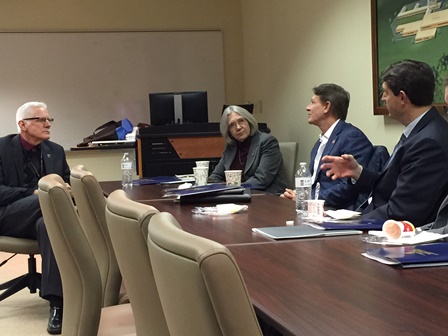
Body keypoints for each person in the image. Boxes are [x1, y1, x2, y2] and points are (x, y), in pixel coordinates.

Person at [320, 60, 448, 227]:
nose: (383, 98)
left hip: (395, 236)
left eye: (386, 93)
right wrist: (358, 172)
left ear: (402, 97)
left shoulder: (429, 142)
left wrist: (344, 225)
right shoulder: (419, 131)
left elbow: (402, 212)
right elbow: (396, 186)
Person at [0, 102, 69, 334]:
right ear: (22, 124)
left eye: (49, 119)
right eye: (40, 120)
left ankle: (57, 304)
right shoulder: (1, 148)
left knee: (49, 226)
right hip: (8, 216)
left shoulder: (56, 150)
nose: (47, 124)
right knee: (49, 197)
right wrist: (33, 194)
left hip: (44, 216)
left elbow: (66, 183)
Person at [282, 83, 373, 209]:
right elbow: (314, 182)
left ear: (326, 106)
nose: (307, 108)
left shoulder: (352, 137)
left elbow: (348, 187)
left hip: (338, 212)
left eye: (312, 103)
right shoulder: (320, 142)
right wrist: (297, 195)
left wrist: (309, 200)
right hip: (316, 208)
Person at [208, 105, 287, 194]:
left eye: (241, 121)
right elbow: (215, 177)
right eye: (232, 125)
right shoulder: (231, 146)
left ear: (249, 121)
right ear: (228, 131)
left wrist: (232, 189)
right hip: (240, 196)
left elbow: (261, 180)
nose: (238, 127)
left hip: (267, 197)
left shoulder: (267, 142)